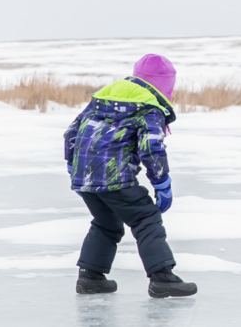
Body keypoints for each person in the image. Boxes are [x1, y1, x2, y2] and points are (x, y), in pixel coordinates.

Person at [63, 54, 197, 298]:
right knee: (146, 218)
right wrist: (162, 183)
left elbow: (71, 133)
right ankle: (162, 278)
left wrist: (74, 168)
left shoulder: (103, 98)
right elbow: (152, 146)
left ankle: (90, 277)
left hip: (84, 178)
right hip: (115, 178)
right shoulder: (149, 106)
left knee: (107, 222)